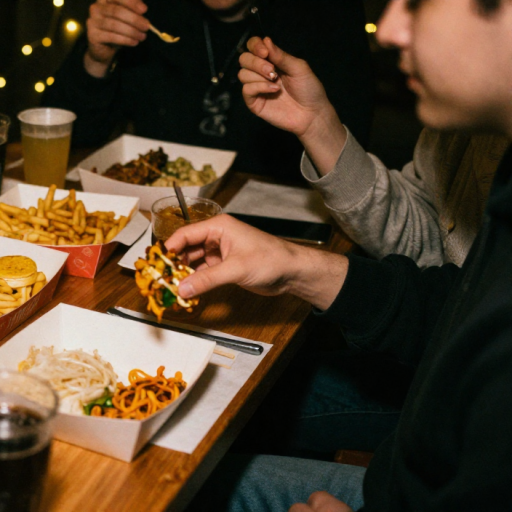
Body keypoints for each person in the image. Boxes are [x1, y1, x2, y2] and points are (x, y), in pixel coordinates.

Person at [176, 0, 512, 509]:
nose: (392, 29)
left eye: (420, 3)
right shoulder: (470, 133)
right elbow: (449, 295)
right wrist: (298, 265)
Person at [238, 34, 509, 267]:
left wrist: (302, 269)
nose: (386, 32)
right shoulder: (458, 113)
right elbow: (423, 238)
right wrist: (316, 124)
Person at [42, 0, 374, 181]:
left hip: (286, 239)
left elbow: (356, 171)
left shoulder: (326, 15)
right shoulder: (145, 11)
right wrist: (97, 59)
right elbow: (65, 138)